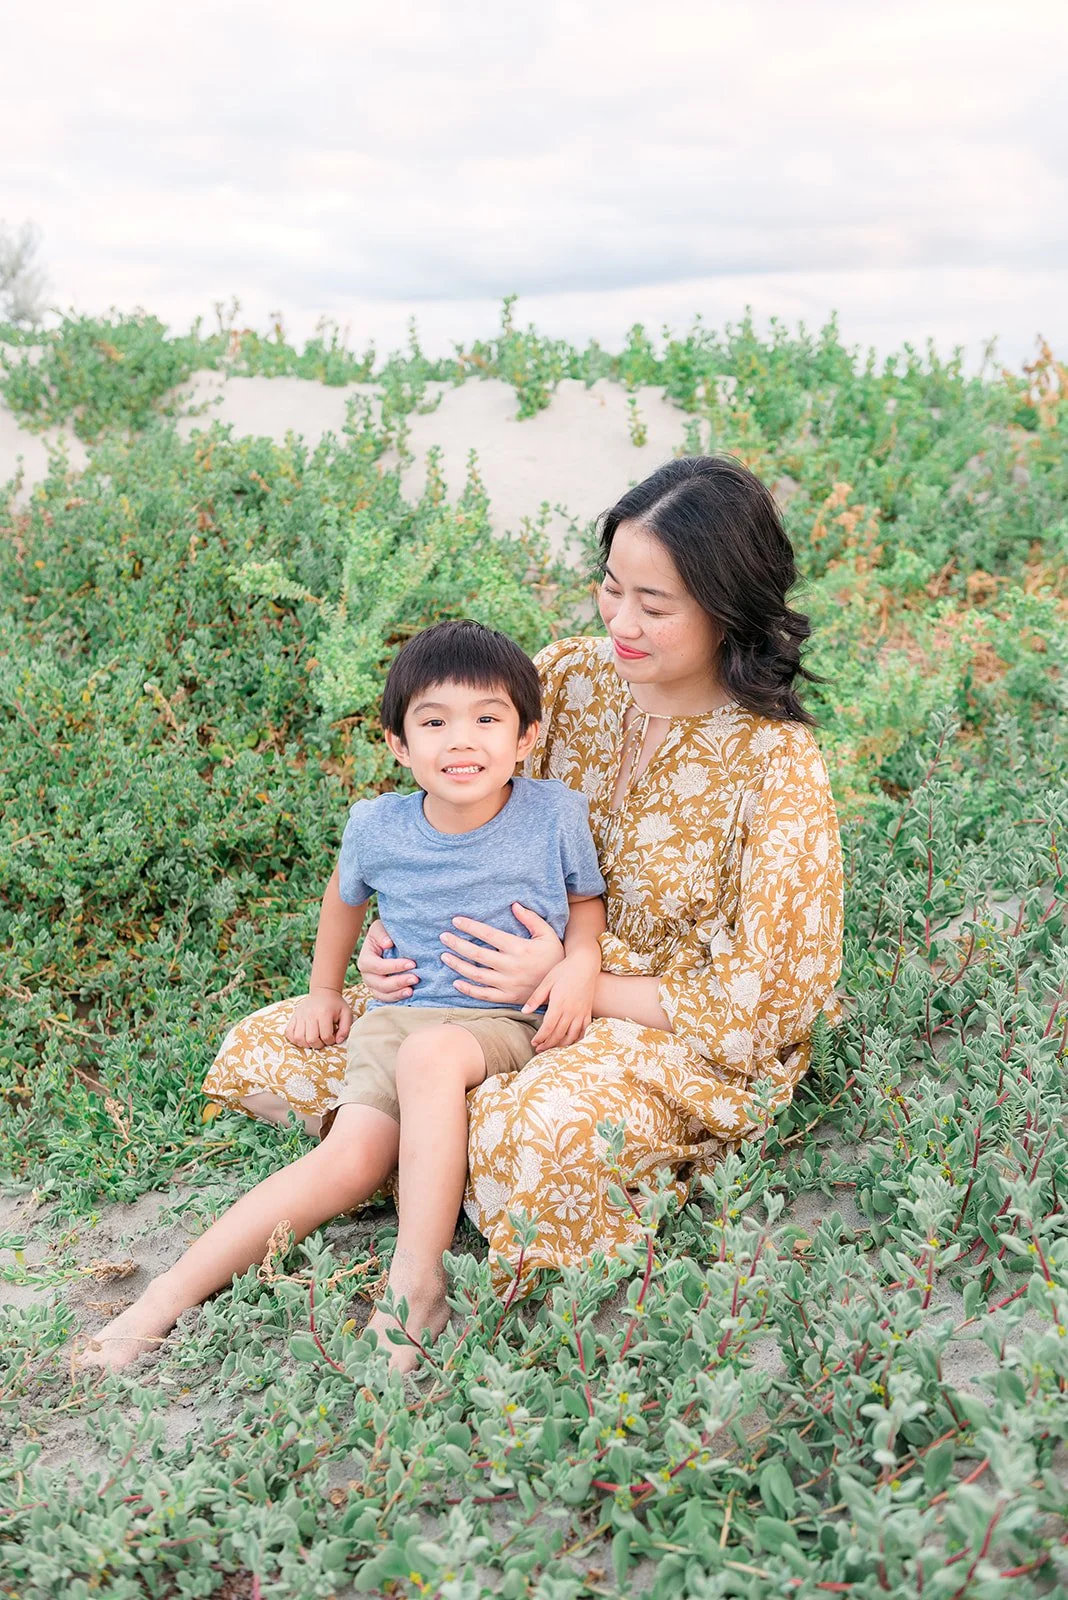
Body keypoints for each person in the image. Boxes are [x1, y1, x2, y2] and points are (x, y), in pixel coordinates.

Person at [193, 454, 844, 1312]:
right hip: (473, 997)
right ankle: (439, 1158)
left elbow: (774, 1002)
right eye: (612, 588)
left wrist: (581, 983)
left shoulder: (775, 760)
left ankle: (442, 1175)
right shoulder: (570, 678)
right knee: (271, 1049)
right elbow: (459, 786)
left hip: (661, 1026)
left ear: (728, 607)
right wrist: (396, 934)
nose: (622, 621)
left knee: (537, 1138)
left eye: (655, 605)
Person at [78, 620, 606, 1374]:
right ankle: (162, 1298)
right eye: (434, 722)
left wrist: (580, 961)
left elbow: (586, 901)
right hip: (398, 1015)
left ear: (526, 738)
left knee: (431, 1058)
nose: (463, 741)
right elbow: (343, 899)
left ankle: (416, 1285)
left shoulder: (553, 813)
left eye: (488, 718)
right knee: (349, 1159)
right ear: (398, 743)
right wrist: (326, 989)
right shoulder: (378, 826)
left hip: (502, 1017)